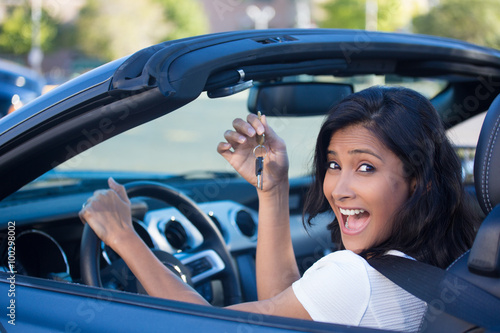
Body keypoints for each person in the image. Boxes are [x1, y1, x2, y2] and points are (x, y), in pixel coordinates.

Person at [79, 86, 478, 332]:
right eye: (334, 164)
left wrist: (123, 237)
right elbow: (282, 319)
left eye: (366, 168)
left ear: (418, 180)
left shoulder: (356, 278)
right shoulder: (456, 258)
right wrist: (272, 189)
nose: (339, 189)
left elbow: (204, 327)